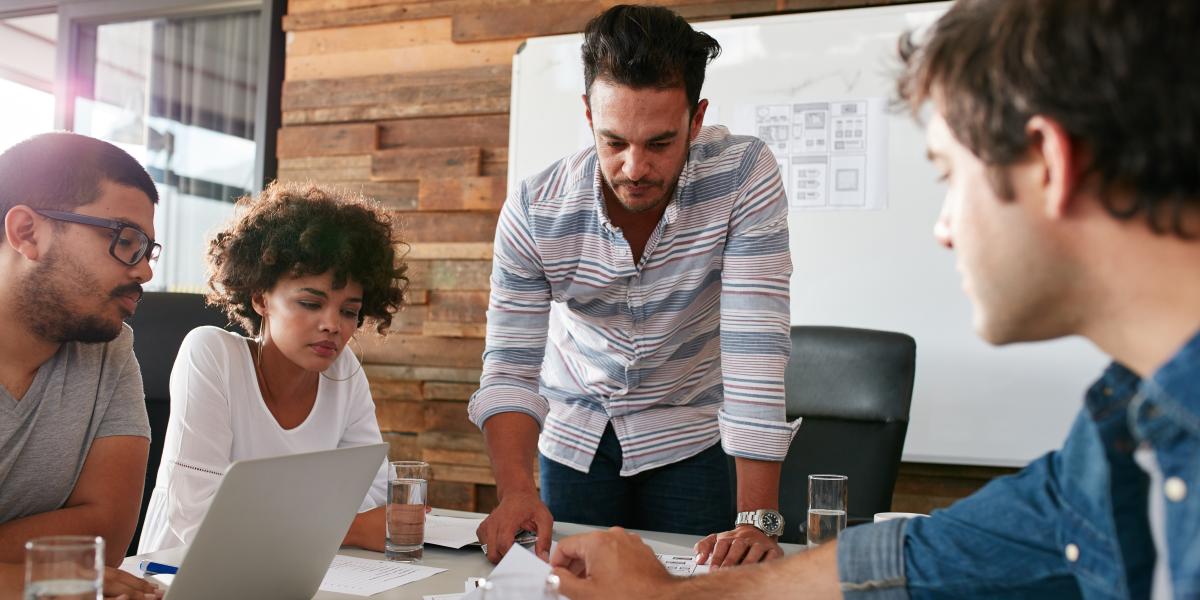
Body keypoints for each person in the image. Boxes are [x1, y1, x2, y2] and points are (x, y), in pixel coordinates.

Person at [548, 0, 1200, 598]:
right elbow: (920, 555)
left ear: (1049, 165)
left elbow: (753, 344)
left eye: (950, 175)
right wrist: (670, 596)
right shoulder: (1113, 438)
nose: (943, 229)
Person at [469, 4, 799, 566]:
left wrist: (755, 520)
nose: (634, 167)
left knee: (695, 586)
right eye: (614, 141)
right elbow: (510, 366)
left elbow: (755, 349)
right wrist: (516, 492)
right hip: (576, 434)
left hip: (688, 432)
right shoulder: (535, 209)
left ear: (696, 121)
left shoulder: (743, 176)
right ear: (588, 115)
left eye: (660, 143)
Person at [136, 182, 407, 554]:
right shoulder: (211, 353)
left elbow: (376, 494)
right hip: (180, 575)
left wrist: (280, 518)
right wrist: (351, 529)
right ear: (261, 298)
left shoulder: (344, 373)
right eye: (311, 303)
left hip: (301, 567)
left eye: (349, 311)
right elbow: (201, 520)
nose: (334, 325)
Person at [0, 133, 164, 599]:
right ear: (28, 233)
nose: (144, 271)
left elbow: (104, 539)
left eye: (147, 249)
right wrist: (21, 578)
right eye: (124, 239)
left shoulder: (108, 349)